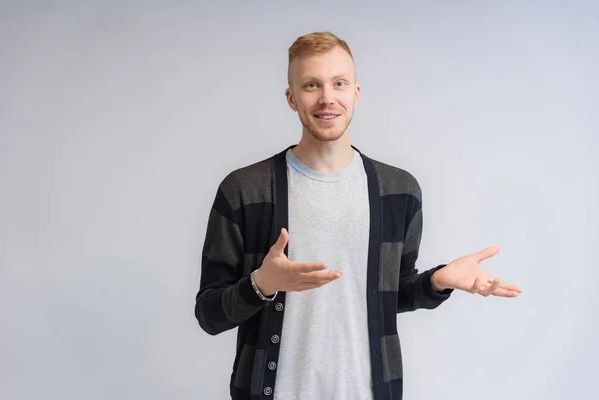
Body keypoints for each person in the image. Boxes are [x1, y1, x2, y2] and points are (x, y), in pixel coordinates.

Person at [194, 31, 522, 400]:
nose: (326, 98)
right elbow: (209, 314)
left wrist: (436, 281)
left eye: (339, 83)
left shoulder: (400, 191)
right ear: (291, 98)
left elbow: (389, 296)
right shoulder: (244, 189)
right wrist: (261, 284)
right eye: (311, 85)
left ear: (356, 93)